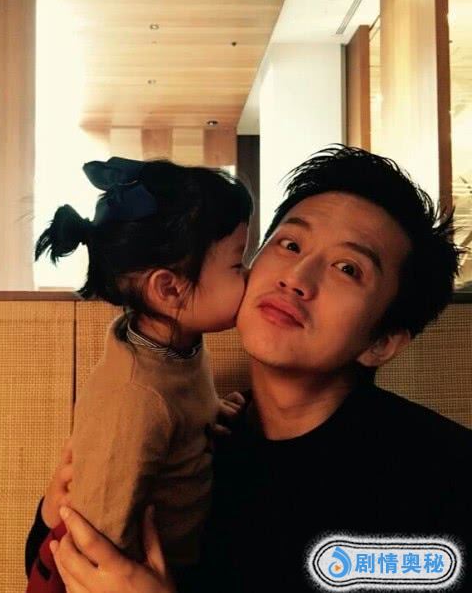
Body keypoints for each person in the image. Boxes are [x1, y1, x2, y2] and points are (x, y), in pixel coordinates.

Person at [27, 146, 472, 592]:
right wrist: (54, 510)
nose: (295, 277)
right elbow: (61, 561)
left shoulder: (445, 478)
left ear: (382, 341)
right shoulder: (193, 427)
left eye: (347, 268)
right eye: (290, 244)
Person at [27, 157, 253, 592]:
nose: (251, 274)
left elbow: (175, 420)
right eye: (237, 262)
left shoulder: (176, 346)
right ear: (169, 288)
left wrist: (207, 420)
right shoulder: (135, 398)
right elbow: (96, 535)